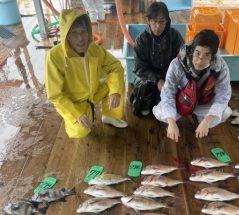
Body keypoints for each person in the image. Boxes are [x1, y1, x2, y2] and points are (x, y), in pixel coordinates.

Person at [45, 9, 127, 139]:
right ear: (66, 35)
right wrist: (76, 114)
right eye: (74, 33)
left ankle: (110, 115)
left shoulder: (93, 48)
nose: (80, 38)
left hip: (94, 93)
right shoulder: (54, 57)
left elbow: (115, 67)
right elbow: (55, 95)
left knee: (117, 81)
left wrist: (115, 92)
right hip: (74, 102)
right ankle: (75, 119)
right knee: (80, 131)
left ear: (88, 32)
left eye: (83, 32)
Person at [153, 29, 232, 142]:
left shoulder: (221, 67)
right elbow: (168, 93)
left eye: (206, 55)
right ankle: (181, 117)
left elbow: (223, 96)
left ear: (213, 56)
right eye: (197, 53)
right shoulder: (176, 64)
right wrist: (171, 121)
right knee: (161, 113)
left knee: (225, 113)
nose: (200, 61)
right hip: (182, 101)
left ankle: (201, 119)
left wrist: (206, 121)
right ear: (192, 51)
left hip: (203, 102)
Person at [131, 1, 184, 117]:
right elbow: (140, 68)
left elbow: (183, 60)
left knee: (184, 85)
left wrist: (170, 79)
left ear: (167, 21)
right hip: (149, 77)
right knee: (143, 85)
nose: (158, 26)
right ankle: (146, 102)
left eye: (161, 21)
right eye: (154, 21)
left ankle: (162, 100)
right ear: (148, 21)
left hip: (169, 75)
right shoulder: (141, 40)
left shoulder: (175, 36)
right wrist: (158, 80)